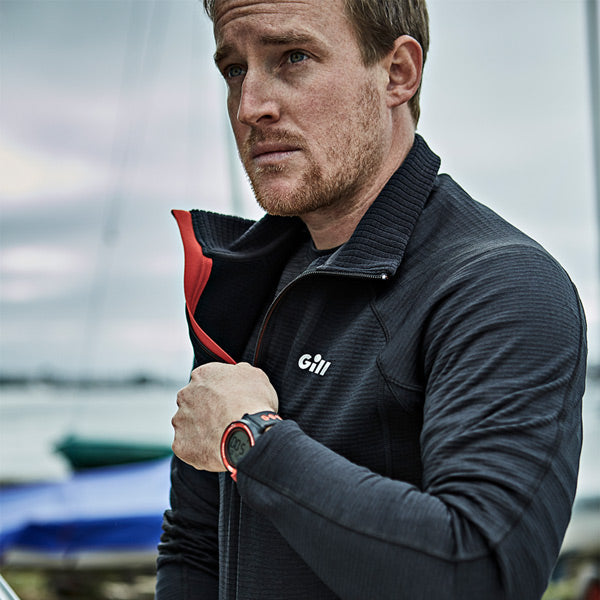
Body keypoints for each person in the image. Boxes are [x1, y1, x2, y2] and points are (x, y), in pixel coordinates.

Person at [156, 0, 587, 598]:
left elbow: (479, 573)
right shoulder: (243, 279)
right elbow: (195, 545)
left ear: (397, 73)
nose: (251, 106)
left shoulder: (503, 286)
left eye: (293, 57)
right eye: (234, 69)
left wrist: (249, 438)